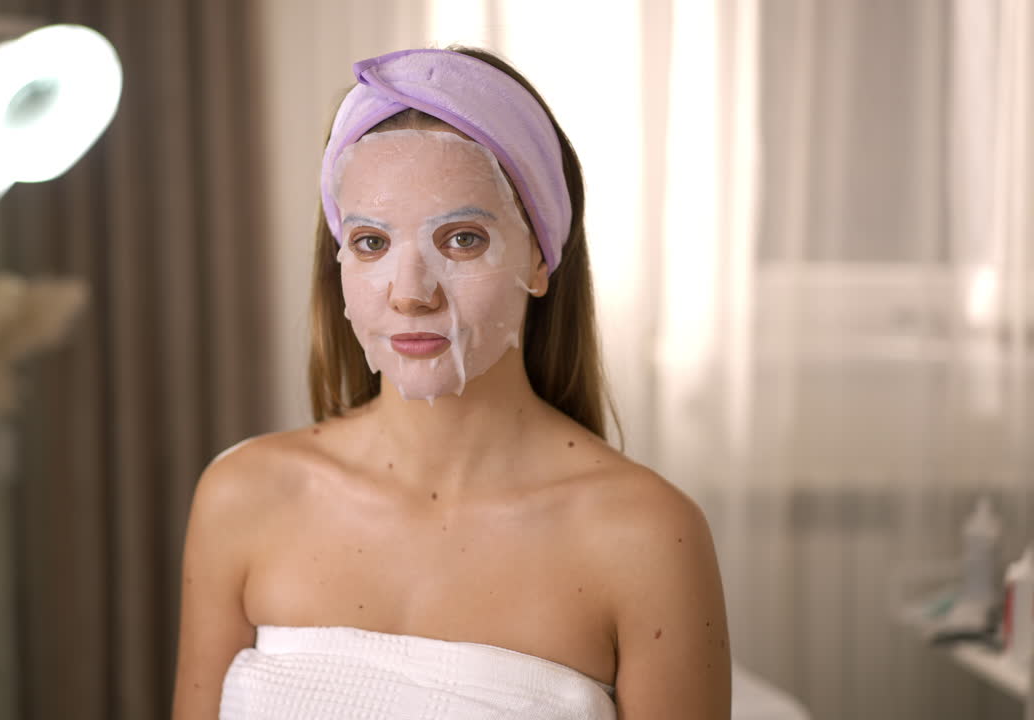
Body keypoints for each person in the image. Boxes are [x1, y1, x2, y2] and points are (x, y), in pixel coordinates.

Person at [172, 46, 731, 720]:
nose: (410, 294)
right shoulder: (243, 498)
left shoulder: (647, 537)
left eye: (462, 239)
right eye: (373, 243)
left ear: (539, 255)